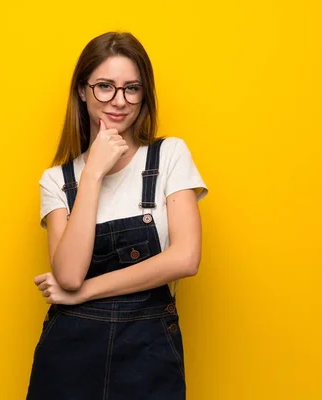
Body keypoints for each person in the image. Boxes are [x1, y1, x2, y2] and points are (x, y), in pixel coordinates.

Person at [26, 31, 208, 399]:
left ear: (144, 94)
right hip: (69, 356)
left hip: (149, 354)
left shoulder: (169, 156)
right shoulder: (57, 180)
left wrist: (85, 293)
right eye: (104, 86)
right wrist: (92, 172)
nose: (119, 101)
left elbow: (186, 258)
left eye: (132, 88)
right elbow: (69, 274)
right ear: (82, 90)